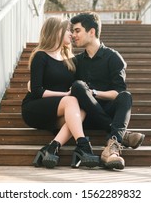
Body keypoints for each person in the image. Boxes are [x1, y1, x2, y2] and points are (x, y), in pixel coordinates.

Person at [70, 12, 145, 170]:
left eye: (77, 31)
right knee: (78, 86)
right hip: (85, 115)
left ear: (91, 32)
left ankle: (111, 150)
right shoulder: (76, 61)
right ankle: (121, 135)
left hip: (108, 108)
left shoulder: (113, 57)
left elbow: (118, 92)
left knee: (126, 96)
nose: (73, 35)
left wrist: (94, 93)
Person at [21, 16, 100, 169]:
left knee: (81, 107)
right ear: (57, 32)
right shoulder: (40, 56)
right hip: (35, 108)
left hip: (60, 111)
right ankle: (83, 145)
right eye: (68, 30)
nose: (71, 34)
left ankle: (52, 148)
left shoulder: (70, 60)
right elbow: (37, 91)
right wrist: (65, 95)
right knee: (71, 101)